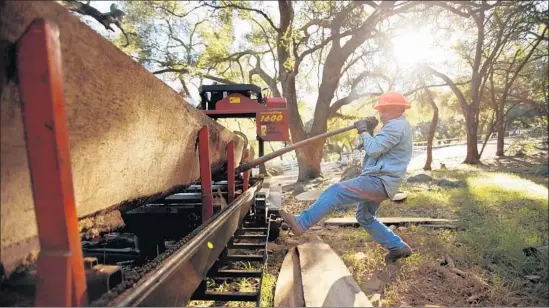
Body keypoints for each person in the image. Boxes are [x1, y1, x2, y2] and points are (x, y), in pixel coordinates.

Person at [280, 92, 414, 263]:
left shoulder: (396, 126)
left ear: (398, 109)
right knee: (365, 218)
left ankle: (301, 223)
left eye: (385, 110)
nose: (381, 114)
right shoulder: (395, 126)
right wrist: (369, 131)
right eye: (381, 110)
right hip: (384, 182)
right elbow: (375, 148)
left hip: (379, 180)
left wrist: (364, 131)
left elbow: (373, 149)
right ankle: (398, 247)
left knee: (335, 191)